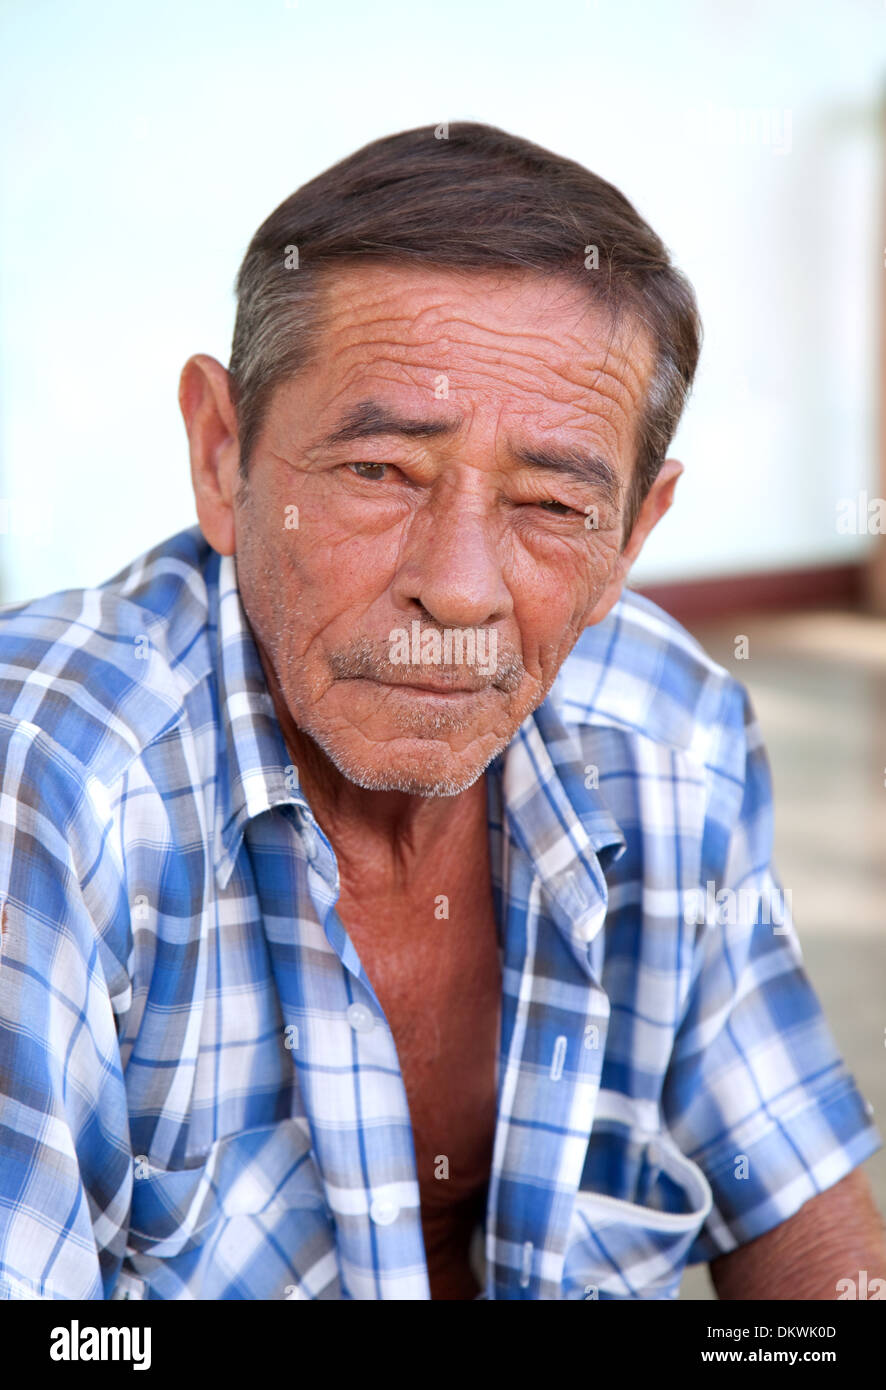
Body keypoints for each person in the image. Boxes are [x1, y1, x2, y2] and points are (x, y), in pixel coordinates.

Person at [0, 122, 882, 1301]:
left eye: (552, 502)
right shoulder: (55, 786)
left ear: (632, 536)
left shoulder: (670, 729)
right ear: (222, 457)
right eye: (380, 473)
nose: (460, 585)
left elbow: (795, 1211)